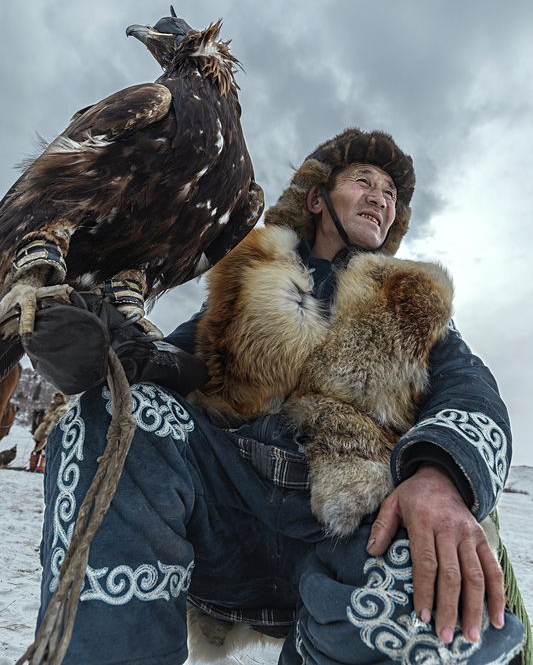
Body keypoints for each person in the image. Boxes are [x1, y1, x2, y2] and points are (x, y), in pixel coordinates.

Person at [35, 128, 524, 665]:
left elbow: (472, 392)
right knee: (109, 414)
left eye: (390, 194)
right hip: (225, 513)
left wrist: (439, 477)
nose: (381, 198)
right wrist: (107, 354)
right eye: (364, 181)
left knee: (444, 605)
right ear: (317, 199)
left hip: (349, 529)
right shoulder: (247, 280)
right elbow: (174, 369)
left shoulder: (414, 304)